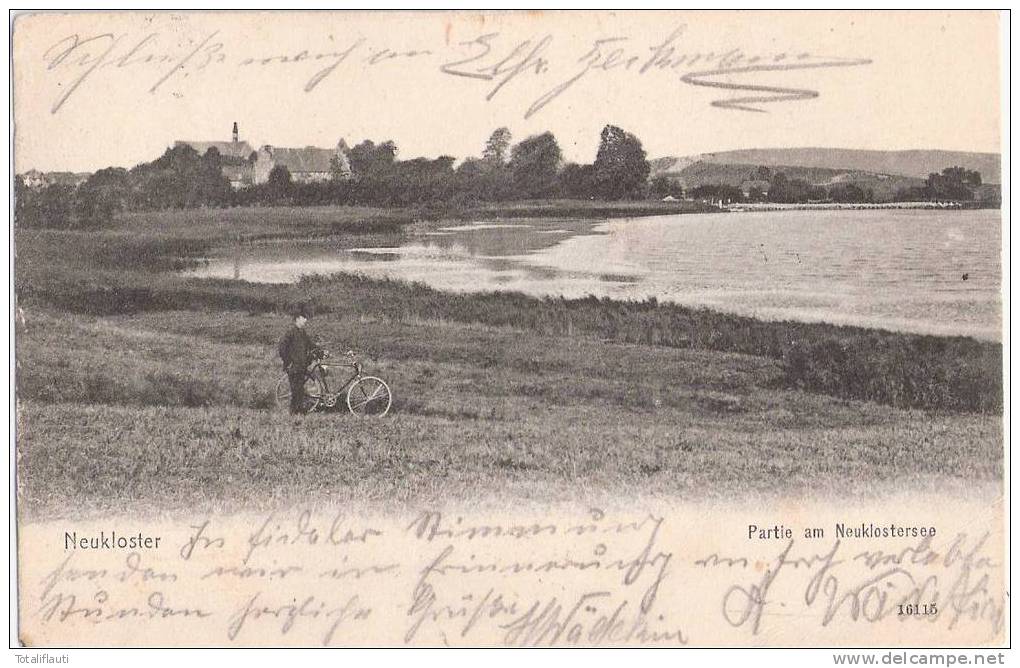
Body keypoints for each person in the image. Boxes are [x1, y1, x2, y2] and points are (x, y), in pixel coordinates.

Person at [278, 304, 320, 415]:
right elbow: (282, 348)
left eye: (305, 318)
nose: (305, 320)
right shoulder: (290, 333)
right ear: (297, 319)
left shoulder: (302, 333)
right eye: (303, 318)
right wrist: (288, 362)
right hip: (294, 366)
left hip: (301, 366)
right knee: (296, 390)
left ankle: (298, 411)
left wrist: (319, 350)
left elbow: (310, 344)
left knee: (299, 389)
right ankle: (294, 412)